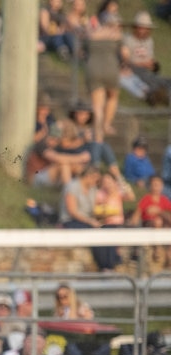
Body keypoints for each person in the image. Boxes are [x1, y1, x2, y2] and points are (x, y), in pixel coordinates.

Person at [85, 4, 122, 143]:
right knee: (113, 96)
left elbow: (83, 50)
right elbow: (125, 53)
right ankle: (106, 125)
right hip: (111, 69)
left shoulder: (92, 35)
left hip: (93, 69)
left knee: (97, 106)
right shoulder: (116, 35)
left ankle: (98, 135)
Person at [119, 11, 170, 105]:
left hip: (146, 71)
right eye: (140, 27)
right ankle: (156, 95)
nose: (142, 30)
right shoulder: (128, 40)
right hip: (134, 70)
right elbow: (125, 61)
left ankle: (165, 97)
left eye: (145, 28)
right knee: (151, 81)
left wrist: (153, 65)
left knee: (165, 81)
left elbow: (150, 59)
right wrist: (143, 64)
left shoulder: (149, 41)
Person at [58, 164, 103, 230]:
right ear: (88, 176)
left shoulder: (93, 189)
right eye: (96, 179)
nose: (96, 182)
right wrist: (90, 221)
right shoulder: (72, 186)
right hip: (71, 220)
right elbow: (72, 211)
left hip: (87, 220)